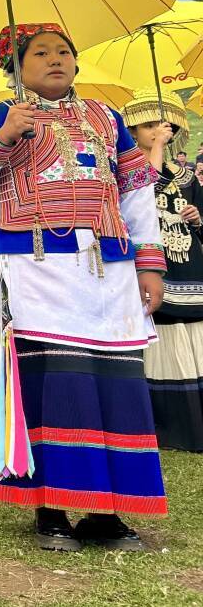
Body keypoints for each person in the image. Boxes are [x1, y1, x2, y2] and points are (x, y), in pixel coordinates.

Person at [0, 23, 166, 552]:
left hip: (107, 269)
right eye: (40, 52)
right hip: (33, 268)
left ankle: (106, 509)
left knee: (113, 382)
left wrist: (150, 264)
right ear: (14, 66)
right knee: (53, 385)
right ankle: (50, 508)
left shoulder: (106, 118)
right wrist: (3, 139)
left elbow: (136, 193)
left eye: (64, 51)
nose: (55, 59)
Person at [123, 90, 203, 453]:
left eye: (162, 125)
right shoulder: (126, 172)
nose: (157, 131)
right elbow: (142, 189)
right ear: (133, 132)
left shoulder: (185, 176)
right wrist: (155, 148)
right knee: (160, 333)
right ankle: (164, 426)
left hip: (188, 265)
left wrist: (197, 218)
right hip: (150, 267)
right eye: (148, 126)